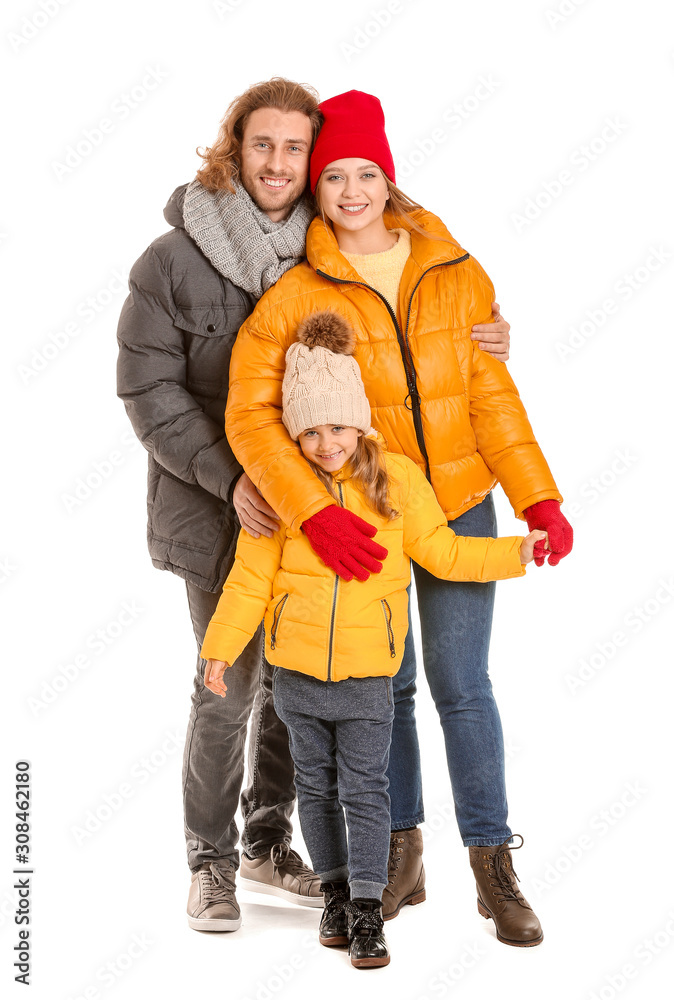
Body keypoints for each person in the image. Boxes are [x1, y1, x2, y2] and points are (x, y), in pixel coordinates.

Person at [116, 79, 511, 931]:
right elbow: (148, 391)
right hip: (214, 507)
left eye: (297, 149)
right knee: (228, 687)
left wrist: (486, 325)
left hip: (320, 504)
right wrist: (234, 479)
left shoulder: (325, 250)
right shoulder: (171, 260)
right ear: (233, 147)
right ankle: (211, 864)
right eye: (263, 145)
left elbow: (400, 332)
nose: (279, 163)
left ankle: (267, 842)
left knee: (302, 682)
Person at [225, 90, 573, 947]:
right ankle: (400, 851)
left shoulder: (456, 270)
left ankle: (493, 864)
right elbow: (250, 414)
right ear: (318, 183)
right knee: (391, 691)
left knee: (465, 689)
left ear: (389, 176)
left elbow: (488, 395)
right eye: (333, 174)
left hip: (455, 499)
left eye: (366, 172)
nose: (349, 190)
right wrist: (311, 510)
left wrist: (538, 496)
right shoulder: (296, 291)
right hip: (362, 517)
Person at [201, 310, 547, 968]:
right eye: (309, 431)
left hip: (368, 678)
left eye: (337, 426)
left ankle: (365, 908)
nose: (326, 443)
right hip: (297, 679)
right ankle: (334, 892)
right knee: (316, 791)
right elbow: (248, 583)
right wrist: (219, 649)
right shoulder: (284, 495)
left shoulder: (397, 483)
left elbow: (447, 555)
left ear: (360, 420)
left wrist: (517, 552)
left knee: (365, 792)